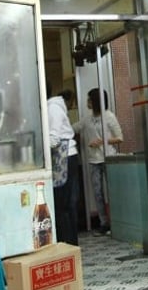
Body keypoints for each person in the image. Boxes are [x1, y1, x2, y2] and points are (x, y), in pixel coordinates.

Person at [72, 88, 123, 236]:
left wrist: (102, 141)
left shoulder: (109, 117)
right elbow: (74, 128)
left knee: (112, 192)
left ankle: (117, 222)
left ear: (95, 101)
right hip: (94, 160)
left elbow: (120, 137)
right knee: (98, 193)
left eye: (89, 100)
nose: (87, 102)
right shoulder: (87, 119)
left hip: (108, 158)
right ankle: (103, 222)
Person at [47, 82, 80, 245]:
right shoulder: (54, 106)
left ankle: (68, 245)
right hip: (66, 157)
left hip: (65, 157)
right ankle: (69, 245)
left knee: (63, 206)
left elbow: (53, 139)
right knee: (66, 206)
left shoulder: (52, 108)